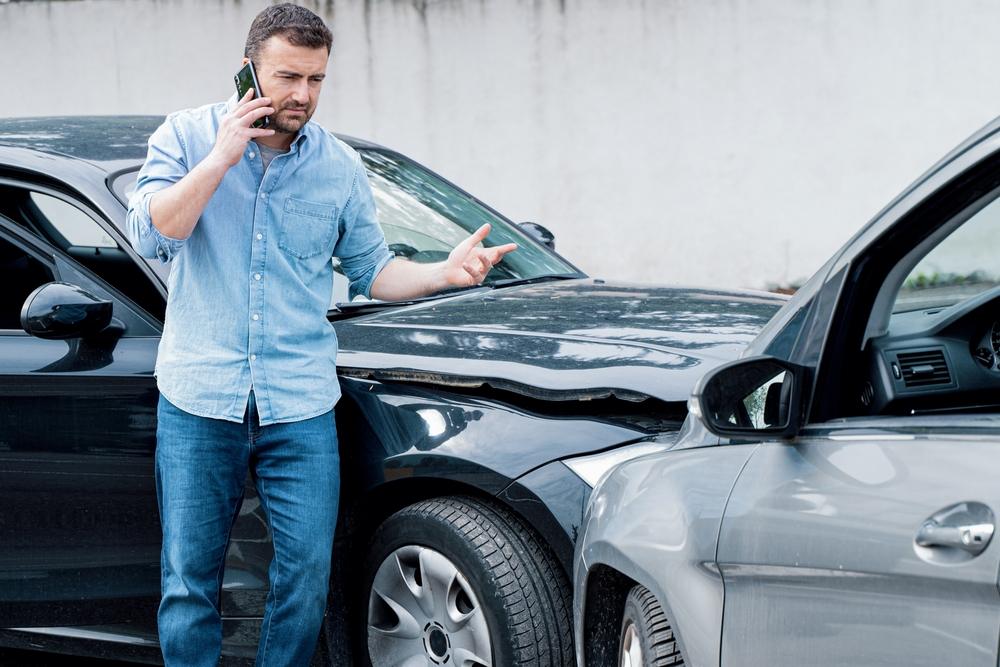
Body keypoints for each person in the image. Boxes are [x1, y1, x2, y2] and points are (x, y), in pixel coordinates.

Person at [124, 5, 516, 665]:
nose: (303, 94)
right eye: (288, 76)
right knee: (188, 583)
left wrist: (446, 272)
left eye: (317, 79)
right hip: (199, 401)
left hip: (299, 406)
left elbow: (374, 271)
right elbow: (154, 233)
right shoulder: (185, 137)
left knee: (305, 582)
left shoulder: (336, 167)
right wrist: (223, 155)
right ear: (249, 70)